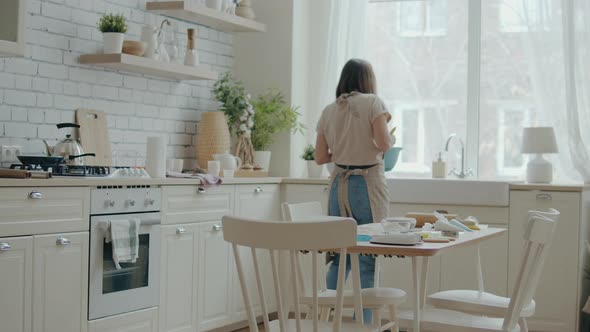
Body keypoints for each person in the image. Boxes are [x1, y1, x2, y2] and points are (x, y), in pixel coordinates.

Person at [315, 58, 393, 324]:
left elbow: (320, 157)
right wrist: (389, 139)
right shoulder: (373, 103)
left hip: (338, 185)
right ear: (368, 80)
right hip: (366, 184)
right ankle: (367, 323)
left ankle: (324, 321)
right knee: (368, 258)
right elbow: (383, 143)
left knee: (340, 257)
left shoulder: (328, 110)